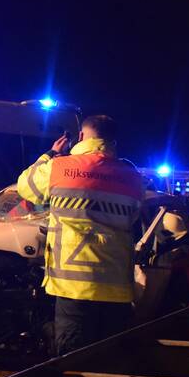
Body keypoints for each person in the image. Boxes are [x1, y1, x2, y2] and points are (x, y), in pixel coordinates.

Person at [16, 115, 144, 357]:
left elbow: (25, 185)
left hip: (73, 286)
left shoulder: (60, 168)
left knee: (74, 359)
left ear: (82, 136)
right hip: (117, 286)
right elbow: (134, 216)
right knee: (112, 360)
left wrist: (51, 154)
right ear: (112, 140)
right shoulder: (132, 176)